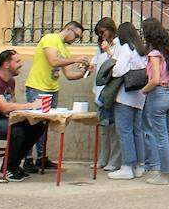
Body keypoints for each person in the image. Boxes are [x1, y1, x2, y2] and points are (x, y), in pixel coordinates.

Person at [24, 20, 88, 171]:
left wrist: (85, 72)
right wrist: (76, 59)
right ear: (68, 30)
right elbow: (53, 61)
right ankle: (27, 159)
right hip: (38, 87)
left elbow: (69, 75)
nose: (75, 40)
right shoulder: (51, 39)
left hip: (52, 89)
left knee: (44, 126)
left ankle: (41, 158)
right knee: (34, 124)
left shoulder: (64, 49)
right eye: (76, 36)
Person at [0, 49, 44, 181]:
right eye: (17, 61)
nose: (21, 64)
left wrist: (29, 114)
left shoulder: (11, 81)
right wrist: (30, 106)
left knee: (37, 126)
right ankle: (7, 169)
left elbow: (12, 104)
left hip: (1, 119)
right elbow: (4, 107)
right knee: (17, 130)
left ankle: (15, 165)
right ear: (6, 64)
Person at [140, 17, 169, 186]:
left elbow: (155, 79)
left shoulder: (154, 55)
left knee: (160, 137)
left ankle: (164, 174)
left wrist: (144, 90)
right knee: (167, 136)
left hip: (158, 95)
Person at [108, 22, 149, 179]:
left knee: (124, 131)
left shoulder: (126, 49)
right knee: (137, 131)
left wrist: (113, 69)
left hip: (125, 96)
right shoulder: (142, 50)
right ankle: (139, 165)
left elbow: (118, 71)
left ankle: (127, 166)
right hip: (139, 96)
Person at [91, 17, 122, 173]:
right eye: (99, 33)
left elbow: (119, 64)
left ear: (110, 29)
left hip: (112, 91)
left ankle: (114, 161)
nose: (102, 36)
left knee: (114, 128)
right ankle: (102, 159)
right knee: (104, 127)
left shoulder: (119, 45)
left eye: (103, 32)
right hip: (100, 92)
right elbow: (96, 64)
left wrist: (108, 52)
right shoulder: (99, 47)